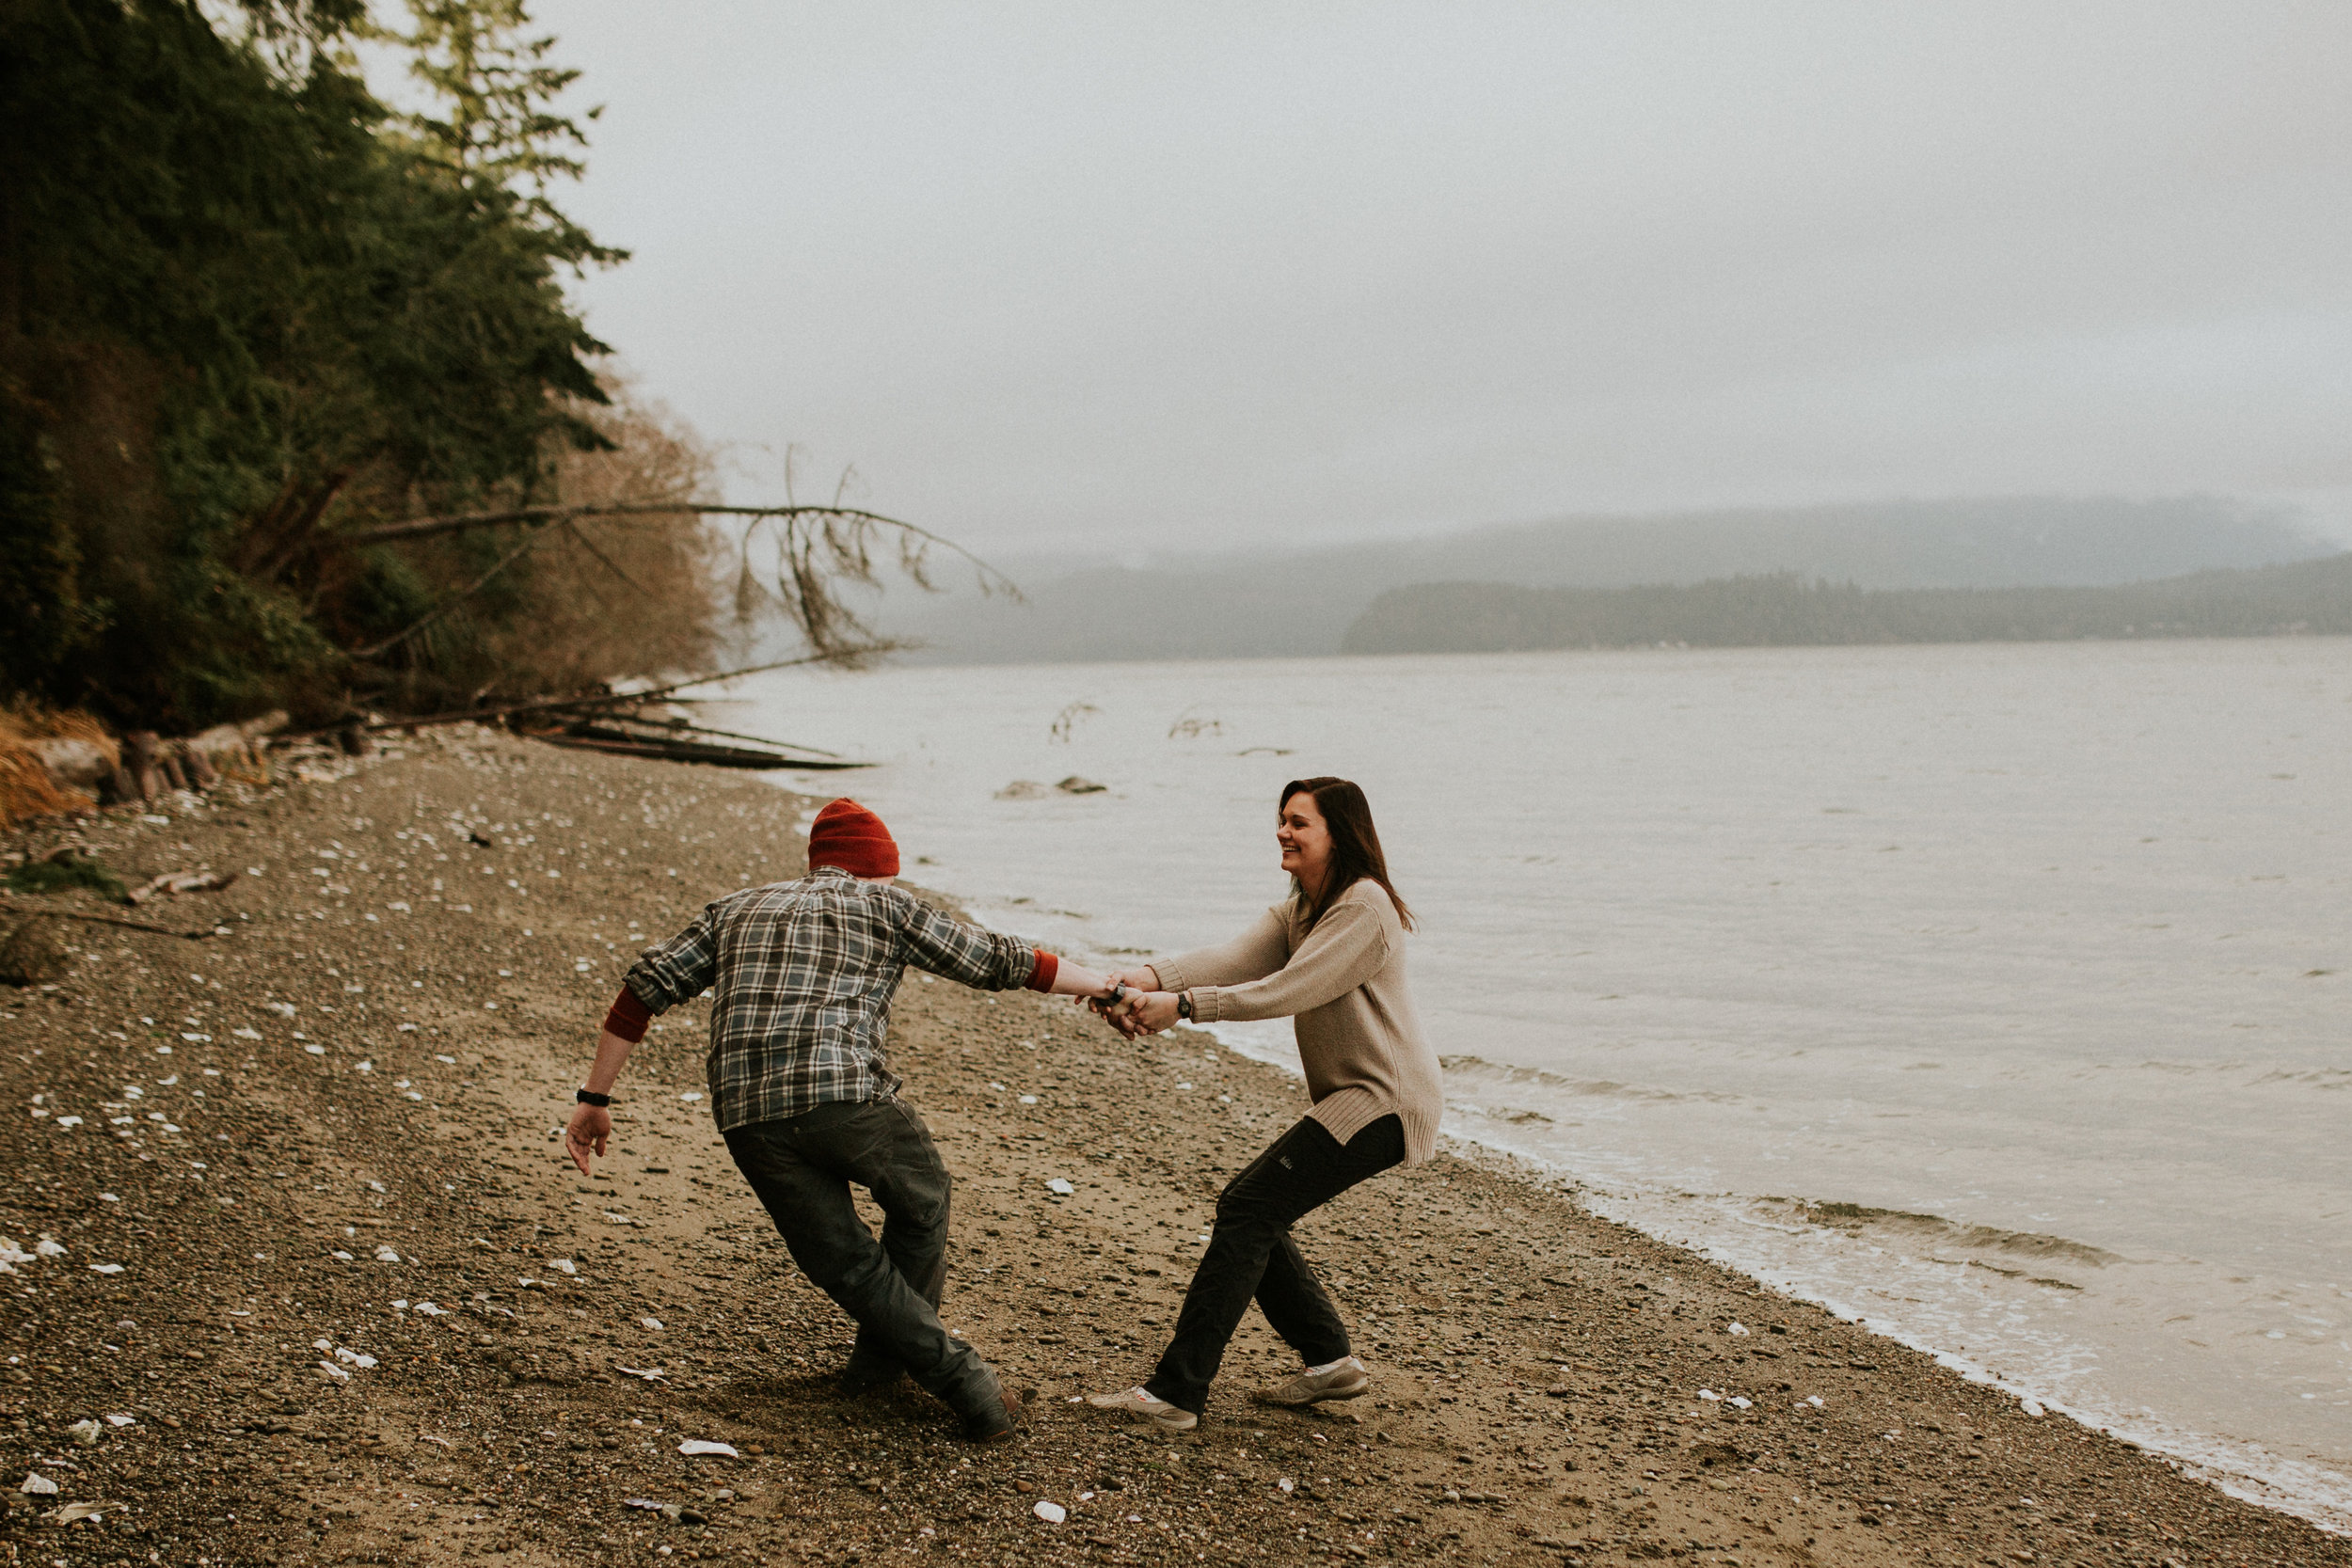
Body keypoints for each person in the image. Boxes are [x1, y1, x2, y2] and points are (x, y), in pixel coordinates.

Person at [562, 797, 1124, 1443]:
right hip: (847, 1096)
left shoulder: (736, 908)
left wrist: (595, 1099)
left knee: (850, 1263)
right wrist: (1104, 985)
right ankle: (964, 1385)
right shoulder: (887, 904)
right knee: (923, 1199)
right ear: (873, 870)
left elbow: (643, 988)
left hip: (747, 1114)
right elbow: (1000, 960)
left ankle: (882, 1371)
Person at [1085, 776, 1442, 1431]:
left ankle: (1177, 1393)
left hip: (1385, 1102)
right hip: (1357, 1098)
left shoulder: (1365, 907)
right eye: (1282, 818)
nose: (1283, 830)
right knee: (1252, 1207)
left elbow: (1288, 988)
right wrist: (1146, 979)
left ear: (1340, 832)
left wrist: (1183, 1008)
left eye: (1299, 822)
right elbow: (1232, 958)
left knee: (1250, 1207)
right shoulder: (1302, 908)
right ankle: (1330, 1363)